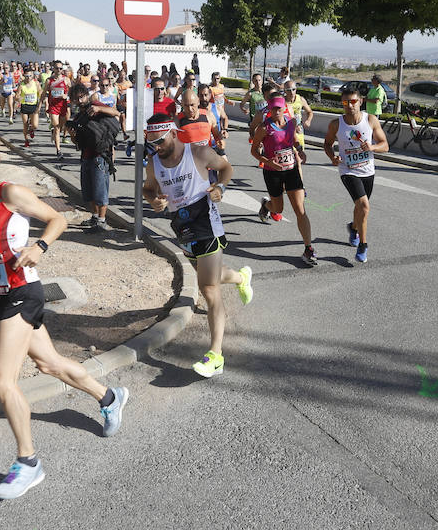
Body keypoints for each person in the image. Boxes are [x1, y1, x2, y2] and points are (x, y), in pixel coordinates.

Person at [0, 141, 129, 499]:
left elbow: (58, 219)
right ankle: (109, 397)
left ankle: (28, 463)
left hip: (23, 293)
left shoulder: (11, 193)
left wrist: (40, 246)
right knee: (50, 364)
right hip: (1, 298)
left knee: (2, 382)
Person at [142, 114, 253, 377]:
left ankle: (216, 355)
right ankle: (240, 277)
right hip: (182, 227)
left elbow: (226, 168)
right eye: (152, 142)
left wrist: (221, 188)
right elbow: (148, 189)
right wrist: (153, 200)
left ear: (173, 133)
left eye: (160, 141)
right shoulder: (153, 162)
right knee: (210, 276)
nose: (156, 147)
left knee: (208, 288)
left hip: (207, 222)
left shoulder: (199, 153)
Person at [323, 88, 389, 263]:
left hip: (368, 170)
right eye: (345, 102)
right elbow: (327, 144)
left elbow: (385, 145)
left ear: (360, 101)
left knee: (360, 208)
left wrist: (372, 147)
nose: (349, 106)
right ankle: (363, 245)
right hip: (348, 170)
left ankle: (353, 228)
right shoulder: (336, 124)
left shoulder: (370, 120)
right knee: (364, 206)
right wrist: (332, 157)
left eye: (353, 101)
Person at [251, 97, 317, 266]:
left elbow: (294, 140)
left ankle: (308, 249)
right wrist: (268, 162)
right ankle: (266, 205)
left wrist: (300, 150)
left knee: (300, 209)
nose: (276, 112)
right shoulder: (264, 128)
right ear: (270, 110)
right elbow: (254, 150)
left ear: (284, 108)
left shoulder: (291, 122)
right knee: (278, 209)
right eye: (273, 109)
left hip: (291, 169)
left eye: (279, 108)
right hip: (272, 172)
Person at [66, 84, 121, 234]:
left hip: (100, 156)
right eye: (76, 98)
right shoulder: (79, 116)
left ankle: (102, 221)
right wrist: (72, 135)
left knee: (100, 190)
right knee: (88, 190)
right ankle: (95, 217)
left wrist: (99, 109)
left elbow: (116, 112)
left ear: (86, 95)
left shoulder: (95, 105)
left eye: (81, 96)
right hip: (86, 155)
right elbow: (77, 142)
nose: (80, 100)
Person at [46, 65, 71, 159]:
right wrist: (39, 107)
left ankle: (54, 133)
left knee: (60, 127)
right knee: (57, 128)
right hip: (53, 107)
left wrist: (66, 95)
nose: (59, 70)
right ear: (54, 69)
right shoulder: (49, 80)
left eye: (61, 68)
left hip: (63, 106)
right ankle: (58, 151)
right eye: (57, 68)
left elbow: (71, 91)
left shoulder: (66, 80)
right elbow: (44, 93)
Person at [17, 71, 42, 147]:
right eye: (27, 76)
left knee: (35, 125)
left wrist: (40, 103)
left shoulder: (36, 83)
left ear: (33, 76)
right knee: (25, 124)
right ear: (24, 76)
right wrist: (19, 98)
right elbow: (17, 95)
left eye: (30, 76)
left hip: (33, 106)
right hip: (25, 106)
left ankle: (31, 129)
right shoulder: (21, 85)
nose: (28, 78)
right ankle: (26, 140)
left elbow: (40, 93)